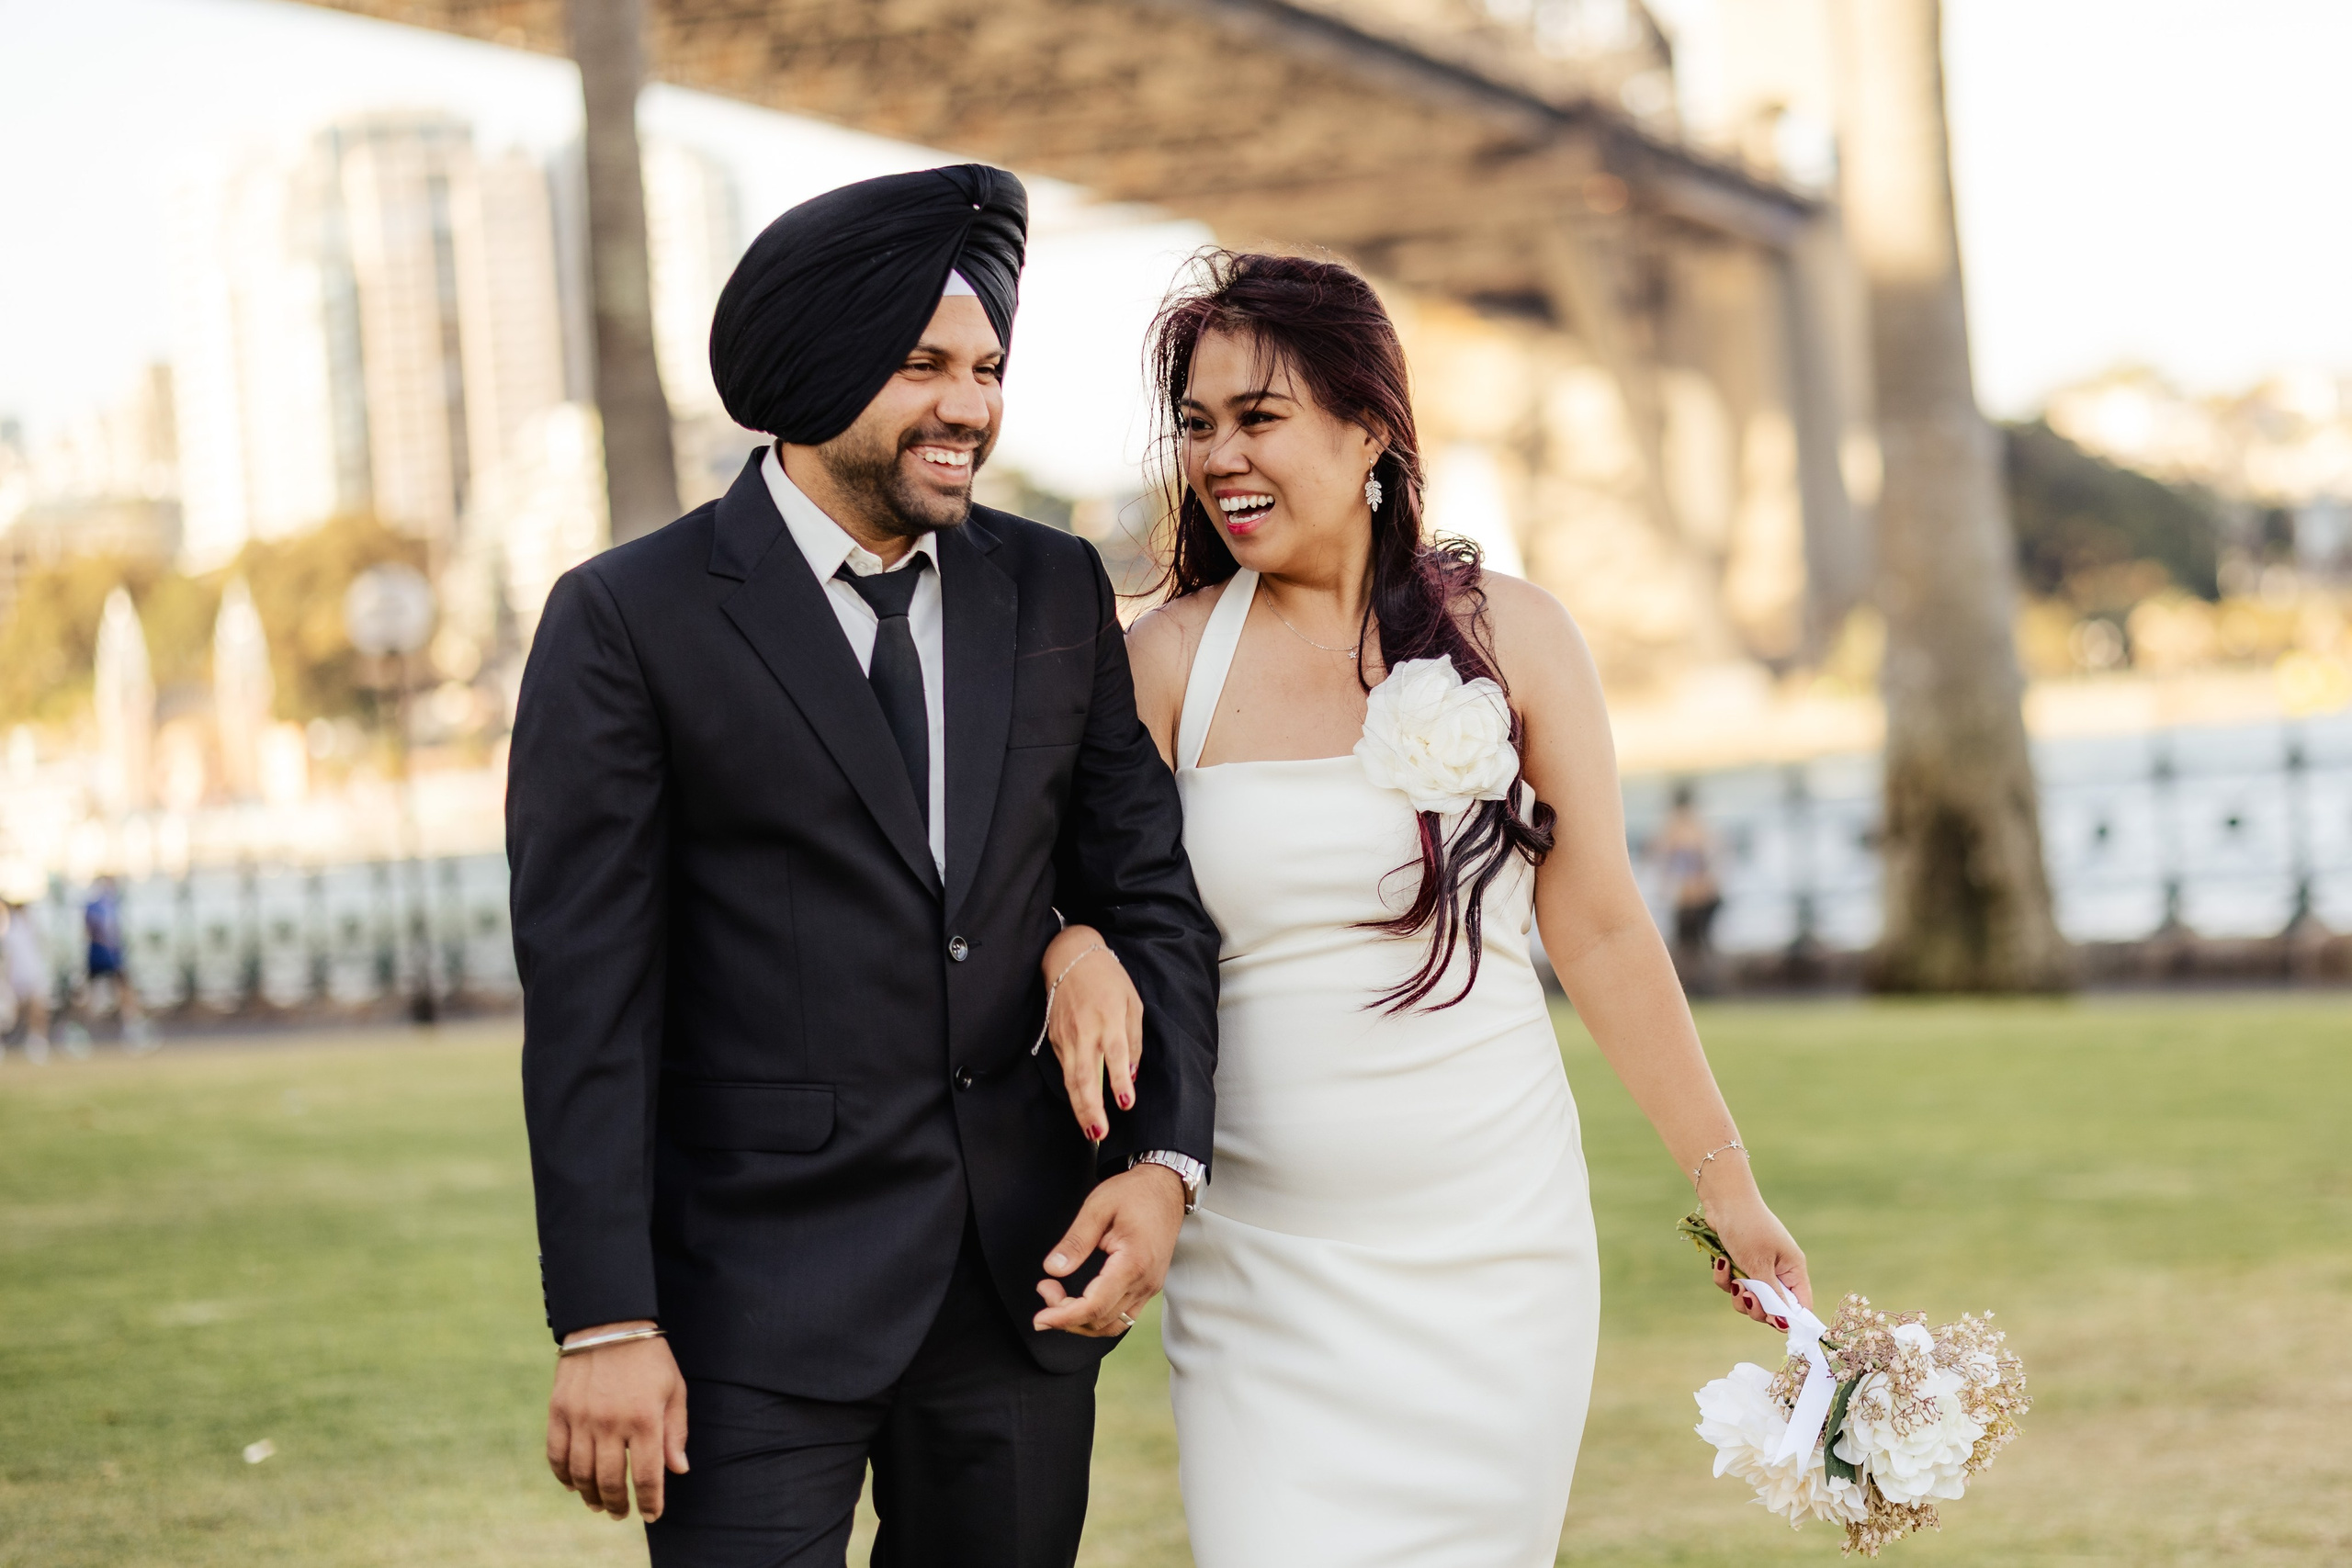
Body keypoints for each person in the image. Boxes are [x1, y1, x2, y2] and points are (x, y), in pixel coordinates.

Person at [507, 164, 1220, 1567]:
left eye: (987, 368)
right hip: (747, 1314)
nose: (968, 405)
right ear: (815, 367)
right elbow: (591, 998)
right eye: (921, 365)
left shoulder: (1054, 586)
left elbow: (1148, 893)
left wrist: (1164, 1161)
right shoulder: (624, 619)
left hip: (1021, 1291)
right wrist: (607, 1316)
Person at [1102, 252, 1810, 1565]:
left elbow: (1597, 922)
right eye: (1196, 424)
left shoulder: (1517, 635)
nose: (1217, 455)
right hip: (1264, 1262)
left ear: (1368, 423)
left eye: (1259, 416)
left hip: (1498, 1252)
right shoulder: (1161, 662)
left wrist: (1732, 1184)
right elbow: (1099, 912)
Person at [1656, 782, 1724, 987]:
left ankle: (1698, 985)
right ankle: (1703, 984)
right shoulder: (1700, 826)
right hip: (1702, 895)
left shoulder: (1675, 829)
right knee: (1698, 945)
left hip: (1692, 898)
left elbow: (1669, 864)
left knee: (1690, 946)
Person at [78, 875, 153, 1053]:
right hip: (100, 956)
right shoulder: (95, 906)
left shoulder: (110, 906)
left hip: (111, 956)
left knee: (123, 992)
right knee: (95, 995)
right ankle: (81, 1032)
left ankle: (132, 1029)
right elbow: (93, 931)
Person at [2, 895, 51, 1063]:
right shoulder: (8, 927)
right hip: (15, 976)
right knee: (10, 1014)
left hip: (32, 972)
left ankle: (37, 1043)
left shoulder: (34, 924)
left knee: (37, 1008)